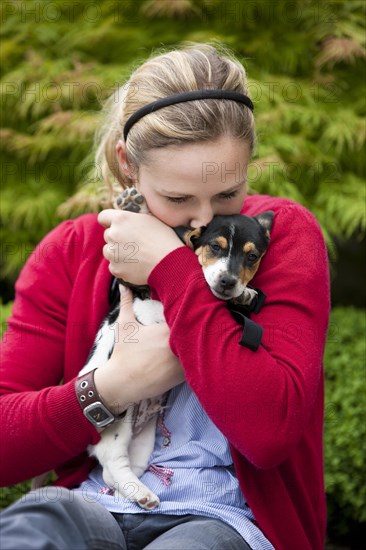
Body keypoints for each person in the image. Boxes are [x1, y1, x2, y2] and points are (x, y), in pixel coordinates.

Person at [0, 43, 330, 550]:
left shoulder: (277, 237)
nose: (204, 221)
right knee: (33, 531)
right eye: (177, 199)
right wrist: (111, 386)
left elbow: (269, 432)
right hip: (93, 502)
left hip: (224, 518)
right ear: (128, 166)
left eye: (227, 195)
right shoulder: (70, 252)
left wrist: (171, 269)